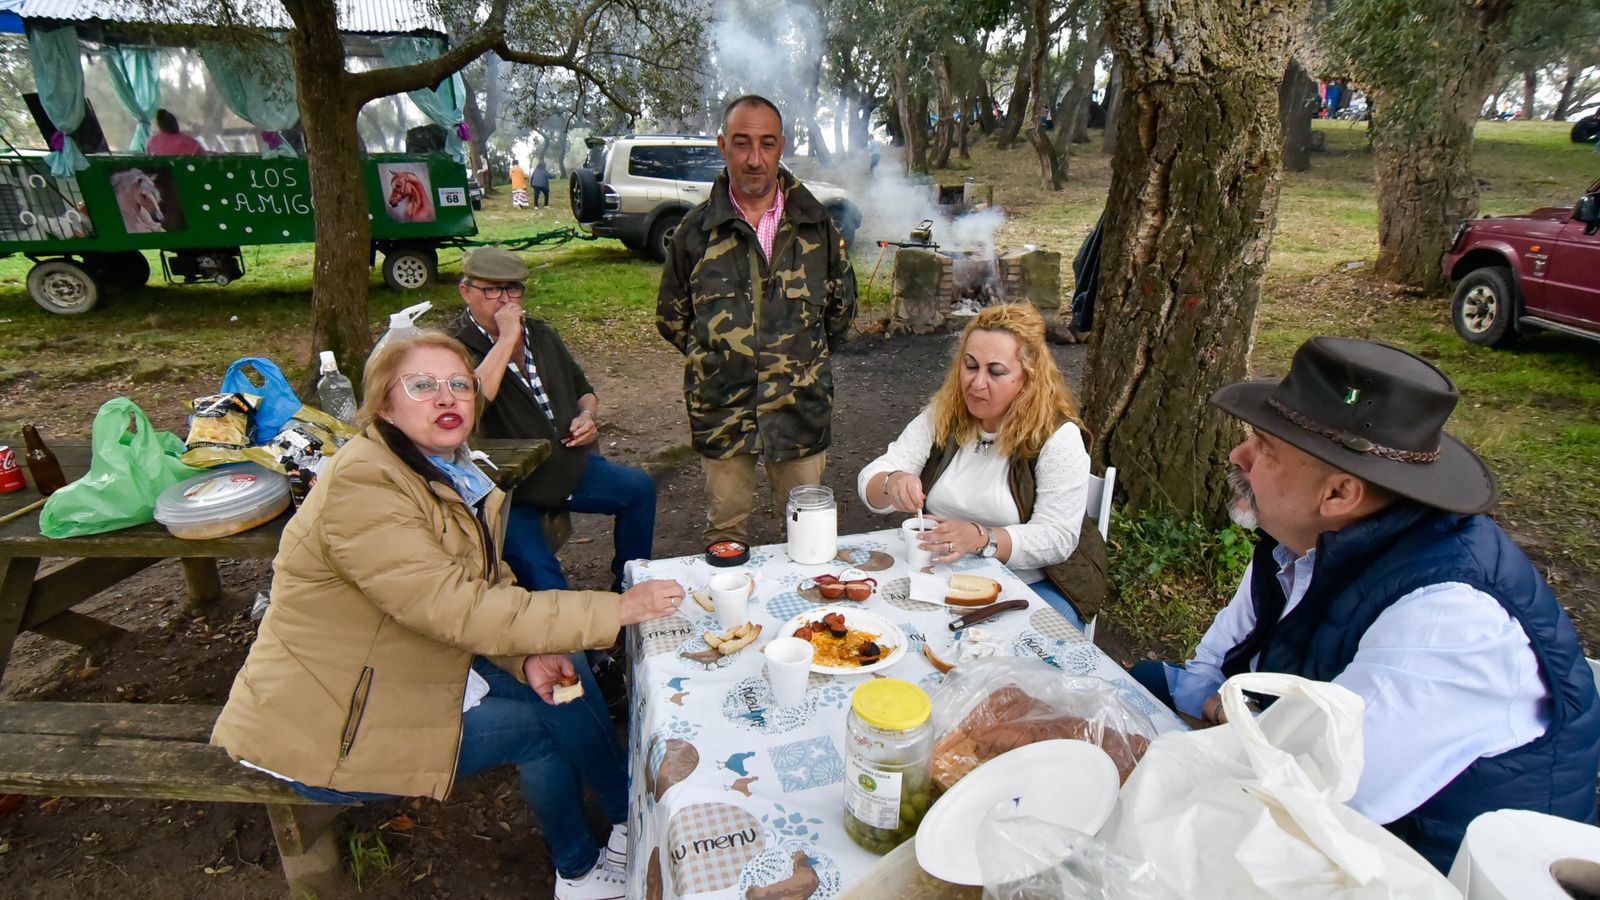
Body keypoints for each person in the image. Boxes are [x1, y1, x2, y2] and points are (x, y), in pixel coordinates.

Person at [211, 331, 684, 900]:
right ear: (384, 403)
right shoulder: (364, 483)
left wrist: (525, 650)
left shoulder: (448, 467)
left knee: (563, 675)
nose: (447, 398)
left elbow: (481, 581)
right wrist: (619, 609)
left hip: (398, 669)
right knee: (542, 730)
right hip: (327, 722)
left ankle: (628, 823)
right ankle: (580, 871)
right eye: (422, 385)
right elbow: (454, 607)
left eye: (460, 384)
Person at [1129, 336, 1600, 871]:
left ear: (1338, 495)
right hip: (1321, 802)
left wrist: (1228, 721)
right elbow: (1210, 668)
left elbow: (1315, 795)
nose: (1239, 456)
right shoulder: (1305, 543)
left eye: (1265, 447)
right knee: (1138, 689)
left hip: (1423, 867)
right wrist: (1230, 714)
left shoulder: (1449, 617)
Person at [657, 94, 857, 545]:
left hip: (799, 410)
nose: (754, 159)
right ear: (722, 145)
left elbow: (840, 311)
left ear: (781, 146)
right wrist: (724, 361)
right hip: (722, 410)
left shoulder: (817, 226)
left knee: (810, 535)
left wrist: (792, 360)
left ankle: (808, 618)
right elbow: (672, 319)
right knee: (725, 535)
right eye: (742, 143)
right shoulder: (694, 232)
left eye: (766, 144)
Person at [856, 304, 1108, 629]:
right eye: (970, 366)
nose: (976, 384)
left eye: (996, 372)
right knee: (877, 627)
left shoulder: (1058, 436)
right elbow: (870, 480)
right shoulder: (944, 416)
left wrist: (980, 538)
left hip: (1036, 584)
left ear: (1028, 378)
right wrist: (892, 481)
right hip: (945, 577)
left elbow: (1057, 538)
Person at [448, 247, 656, 595]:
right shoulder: (454, 349)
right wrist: (507, 339)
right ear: (466, 292)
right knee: (543, 576)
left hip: (568, 469)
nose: (504, 300)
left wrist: (587, 417)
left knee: (638, 489)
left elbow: (584, 391)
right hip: (511, 490)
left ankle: (628, 592)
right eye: (492, 290)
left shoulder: (542, 336)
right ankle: (572, 644)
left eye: (513, 289)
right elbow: (472, 402)